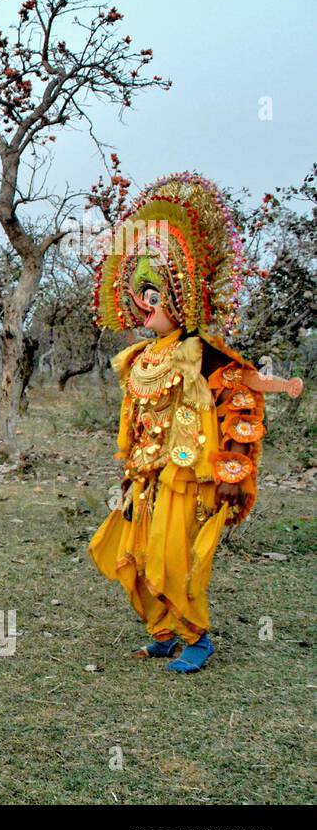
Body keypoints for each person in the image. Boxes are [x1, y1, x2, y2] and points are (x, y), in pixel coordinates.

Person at [88, 174, 303, 673]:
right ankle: (163, 632)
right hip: (145, 477)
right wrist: (129, 468)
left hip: (189, 477)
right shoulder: (139, 357)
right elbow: (136, 421)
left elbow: (242, 390)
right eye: (138, 292)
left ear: (180, 298)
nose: (143, 304)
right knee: (136, 553)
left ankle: (197, 636)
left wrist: (234, 472)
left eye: (154, 294)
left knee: (173, 556)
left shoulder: (201, 353)